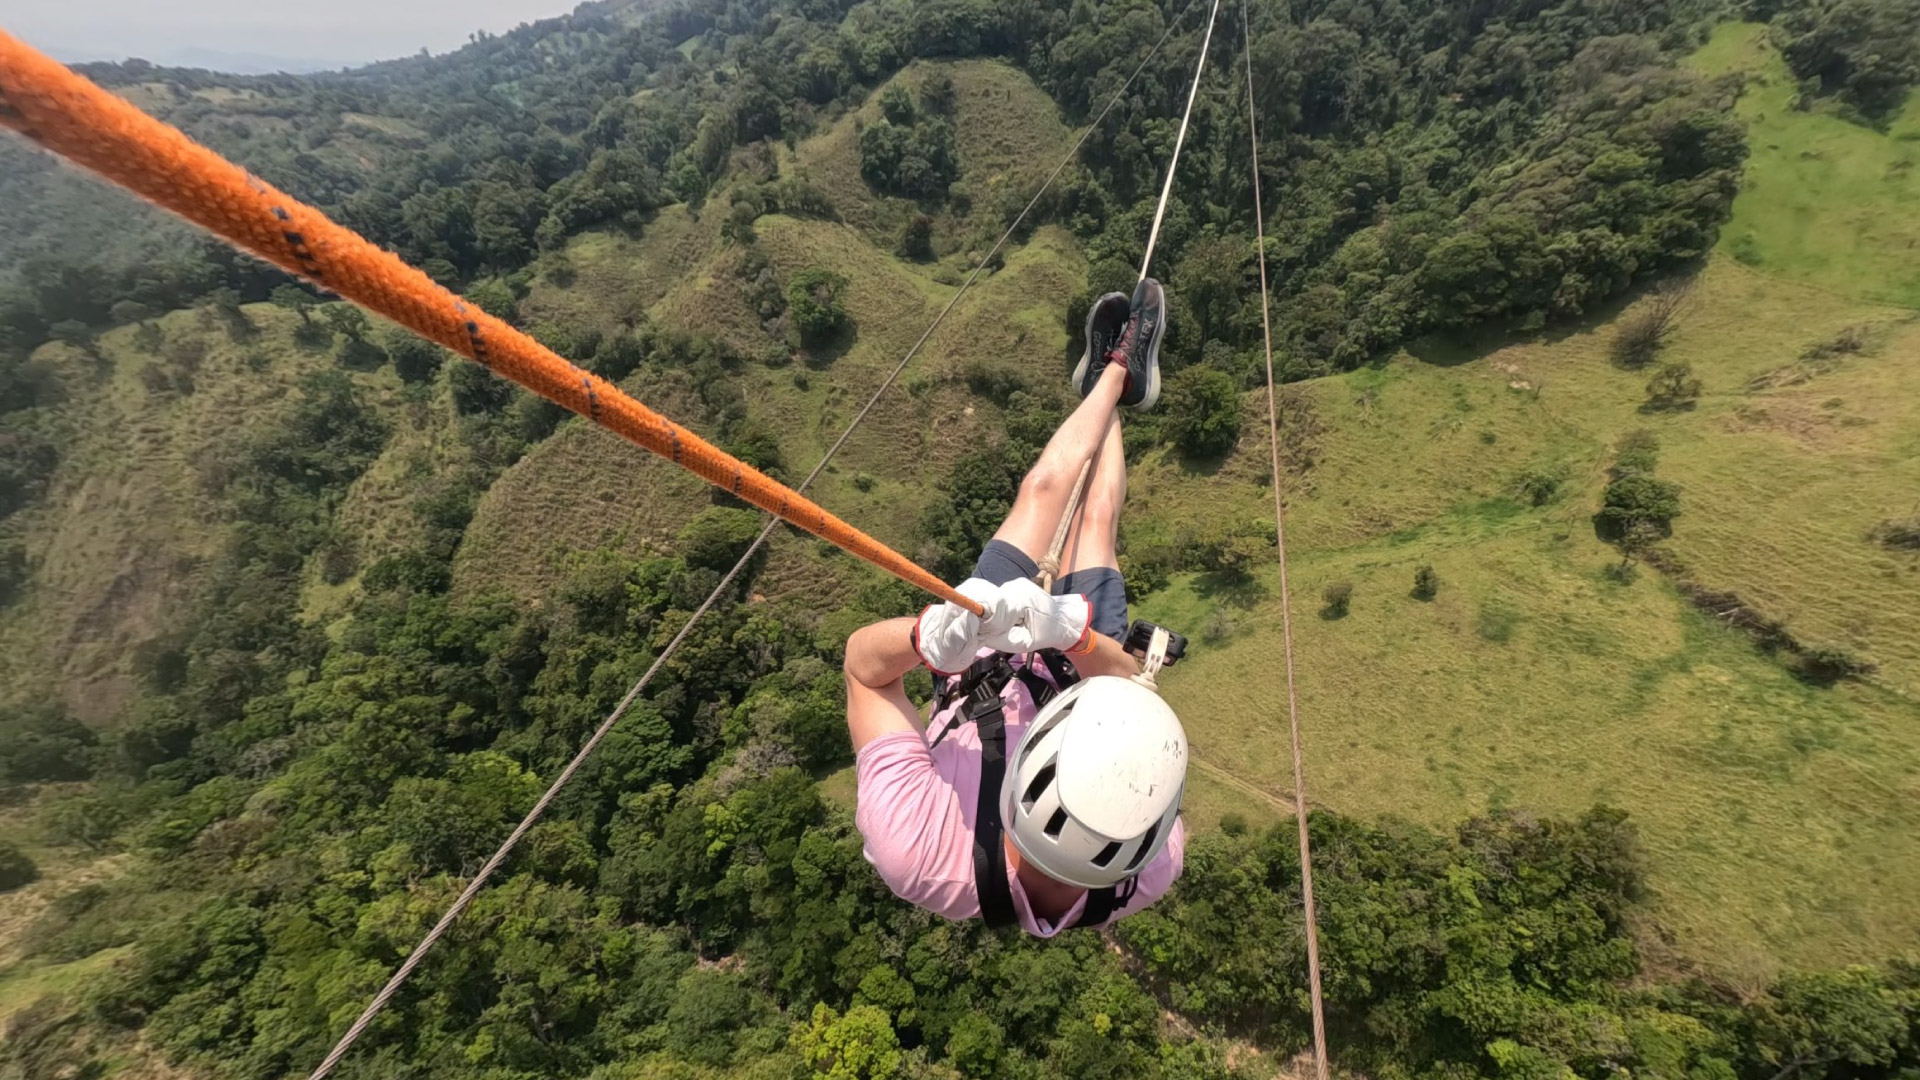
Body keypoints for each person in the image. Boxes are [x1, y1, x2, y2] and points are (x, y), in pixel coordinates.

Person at [843, 279, 1187, 936]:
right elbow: (1132, 702)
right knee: (1097, 521)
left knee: (1043, 489)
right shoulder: (1152, 863)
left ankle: (1114, 374)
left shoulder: (917, 844)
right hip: (1083, 675)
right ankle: (1118, 378)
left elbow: (862, 668)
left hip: (980, 647)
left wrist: (931, 637)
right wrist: (1073, 637)